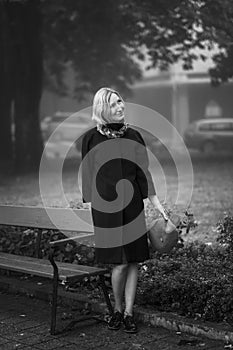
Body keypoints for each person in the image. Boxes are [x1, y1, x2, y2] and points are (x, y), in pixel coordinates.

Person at [81, 87, 169, 333]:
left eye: (121, 102)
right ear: (102, 109)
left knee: (133, 262)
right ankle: (117, 310)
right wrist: (93, 205)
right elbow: (87, 176)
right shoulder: (91, 138)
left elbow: (144, 176)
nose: (120, 107)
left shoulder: (134, 136)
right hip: (106, 210)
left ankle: (129, 313)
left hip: (132, 208)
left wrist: (160, 209)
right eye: (113, 104)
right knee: (119, 263)